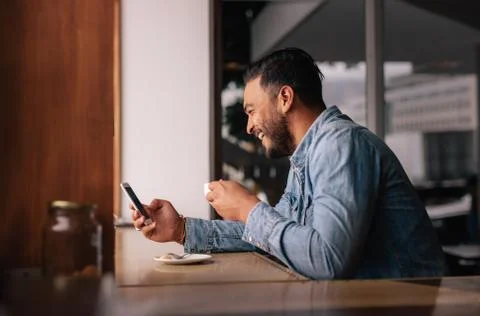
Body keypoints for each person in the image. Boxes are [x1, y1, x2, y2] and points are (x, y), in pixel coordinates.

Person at [131, 47, 446, 279]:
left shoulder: (339, 145)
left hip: (404, 305)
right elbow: (275, 238)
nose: (249, 127)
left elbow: (328, 261)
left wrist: (249, 208)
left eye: (252, 110)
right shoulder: (306, 157)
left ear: (284, 98)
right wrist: (182, 229)